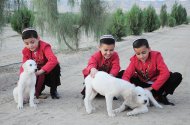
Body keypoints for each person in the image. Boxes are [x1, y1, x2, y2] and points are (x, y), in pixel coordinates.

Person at [122, 38, 182, 105]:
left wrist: (151, 88)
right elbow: (127, 74)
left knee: (177, 76)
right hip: (143, 84)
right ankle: (149, 96)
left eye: (144, 53)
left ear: (149, 49)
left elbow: (165, 73)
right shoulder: (134, 60)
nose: (141, 56)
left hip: (158, 84)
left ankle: (161, 95)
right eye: (138, 54)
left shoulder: (156, 56)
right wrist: (129, 89)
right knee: (122, 74)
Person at [20, 28, 61, 99]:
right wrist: (21, 78)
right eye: (26, 43)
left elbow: (53, 60)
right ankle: (38, 91)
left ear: (38, 38)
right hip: (36, 70)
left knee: (56, 66)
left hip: (47, 70)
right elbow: (24, 65)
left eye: (32, 42)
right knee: (30, 73)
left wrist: (41, 71)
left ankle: (53, 90)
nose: (30, 46)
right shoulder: (25, 51)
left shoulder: (45, 46)